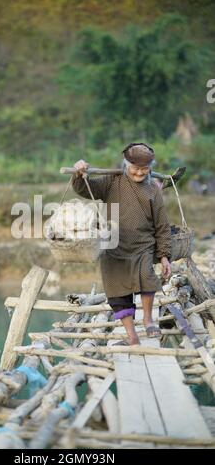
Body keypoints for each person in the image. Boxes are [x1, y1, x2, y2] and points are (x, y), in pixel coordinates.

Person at [72, 142, 171, 345]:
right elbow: (84, 188)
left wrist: (164, 255)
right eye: (135, 168)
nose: (139, 173)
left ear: (151, 167)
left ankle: (148, 319)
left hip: (142, 245)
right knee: (118, 293)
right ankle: (131, 335)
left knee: (146, 277)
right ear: (126, 164)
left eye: (145, 169)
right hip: (112, 245)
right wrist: (79, 172)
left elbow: (162, 225)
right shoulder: (111, 181)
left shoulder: (153, 189)